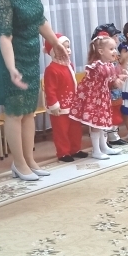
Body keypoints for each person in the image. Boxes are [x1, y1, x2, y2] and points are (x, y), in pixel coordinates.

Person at [0, 0, 68, 181]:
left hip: (31, 56)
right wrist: (12, 68)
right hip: (11, 59)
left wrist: (55, 42)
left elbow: (39, 19)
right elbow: (5, 36)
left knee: (29, 111)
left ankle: (30, 160)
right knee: (15, 113)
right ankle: (19, 163)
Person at [69, 33, 128, 160]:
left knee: (101, 124)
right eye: (111, 49)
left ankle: (103, 146)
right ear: (101, 51)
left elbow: (110, 81)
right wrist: (116, 79)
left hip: (103, 98)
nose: (114, 51)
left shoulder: (108, 65)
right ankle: (96, 150)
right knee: (96, 125)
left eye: (114, 48)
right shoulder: (96, 66)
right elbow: (104, 78)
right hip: (94, 100)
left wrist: (120, 78)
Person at [44, 33, 87, 162]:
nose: (67, 50)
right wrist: (53, 105)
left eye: (68, 47)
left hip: (72, 104)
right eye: (64, 47)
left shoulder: (70, 66)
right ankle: (63, 152)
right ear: (54, 51)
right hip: (59, 107)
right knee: (61, 130)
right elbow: (50, 89)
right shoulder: (51, 69)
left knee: (75, 128)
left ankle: (75, 149)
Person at [91, 24, 128, 147]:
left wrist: (120, 74)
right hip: (106, 93)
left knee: (116, 113)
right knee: (108, 114)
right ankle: (105, 140)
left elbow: (116, 69)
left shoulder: (113, 55)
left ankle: (114, 136)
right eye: (115, 36)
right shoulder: (98, 63)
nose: (117, 39)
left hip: (115, 90)